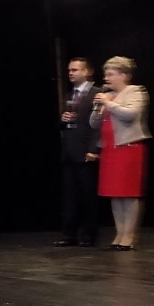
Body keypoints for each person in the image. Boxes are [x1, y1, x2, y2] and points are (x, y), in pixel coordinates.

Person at [90, 57, 150, 251]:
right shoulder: (107, 95)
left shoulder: (135, 91)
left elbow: (130, 114)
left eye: (110, 74)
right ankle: (119, 234)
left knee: (128, 194)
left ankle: (129, 236)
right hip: (109, 150)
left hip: (128, 148)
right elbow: (93, 124)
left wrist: (108, 103)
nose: (106, 78)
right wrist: (97, 108)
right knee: (114, 194)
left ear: (124, 75)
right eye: (105, 74)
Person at [54, 58, 101, 248]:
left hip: (86, 151)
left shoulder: (97, 93)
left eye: (75, 70)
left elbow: (98, 126)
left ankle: (88, 235)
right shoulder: (70, 95)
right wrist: (63, 120)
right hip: (69, 152)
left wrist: (93, 149)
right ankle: (69, 234)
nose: (71, 73)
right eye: (69, 70)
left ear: (87, 72)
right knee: (70, 196)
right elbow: (66, 125)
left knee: (87, 195)